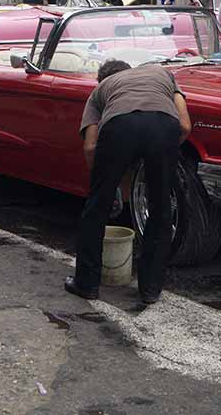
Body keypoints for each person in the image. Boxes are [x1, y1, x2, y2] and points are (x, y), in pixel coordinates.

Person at [65, 59, 192, 306]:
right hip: (164, 125)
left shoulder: (100, 90)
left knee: (96, 210)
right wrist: (158, 155)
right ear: (130, 70)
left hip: (119, 127)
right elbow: (185, 125)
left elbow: (91, 146)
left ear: (103, 80)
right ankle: (151, 289)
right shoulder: (160, 73)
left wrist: (106, 185)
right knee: (161, 209)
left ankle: (87, 284)